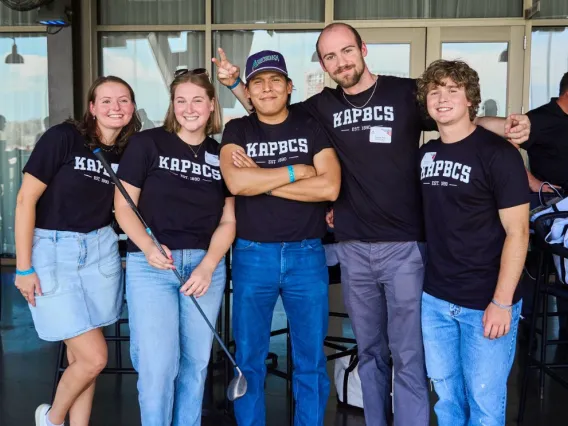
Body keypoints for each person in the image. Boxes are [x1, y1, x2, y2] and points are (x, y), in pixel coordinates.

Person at [213, 23, 531, 426]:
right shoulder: (320, 107)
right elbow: (270, 103)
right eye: (330, 56)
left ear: (363, 49)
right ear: (323, 64)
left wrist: (504, 125)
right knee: (371, 354)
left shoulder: (405, 92)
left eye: (347, 51)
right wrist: (235, 84)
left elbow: (452, 117)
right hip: (352, 246)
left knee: (410, 357)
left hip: (405, 249)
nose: (341, 62)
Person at [219, 50, 341, 426]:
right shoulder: (237, 129)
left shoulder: (310, 126)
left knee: (310, 360)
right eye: (258, 82)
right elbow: (237, 182)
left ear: (289, 88)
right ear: (249, 92)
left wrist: (263, 180)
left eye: (275, 80)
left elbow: (331, 187)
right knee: (249, 359)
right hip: (253, 256)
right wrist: (296, 172)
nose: (267, 88)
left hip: (307, 255)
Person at [14, 76, 141, 426]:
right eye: (106, 100)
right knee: (94, 358)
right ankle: (52, 419)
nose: (115, 107)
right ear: (92, 107)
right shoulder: (63, 138)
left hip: (100, 251)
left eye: (124, 100)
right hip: (54, 251)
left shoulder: (127, 150)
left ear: (132, 107)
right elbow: (26, 199)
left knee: (80, 359)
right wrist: (23, 267)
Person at [114, 68, 235, 426]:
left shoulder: (222, 154)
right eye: (180, 100)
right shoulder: (147, 143)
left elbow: (229, 220)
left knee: (195, 363)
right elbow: (123, 206)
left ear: (212, 104)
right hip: (152, 267)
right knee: (157, 366)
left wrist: (209, 265)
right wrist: (148, 247)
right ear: (172, 106)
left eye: (197, 99)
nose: (189, 107)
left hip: (204, 268)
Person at [416, 59, 529, 426]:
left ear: (470, 100)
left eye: (453, 90)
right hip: (435, 299)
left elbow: (518, 233)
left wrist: (502, 302)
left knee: (483, 402)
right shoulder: (426, 155)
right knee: (447, 399)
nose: (442, 98)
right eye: (435, 91)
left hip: (486, 301)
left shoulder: (500, 155)